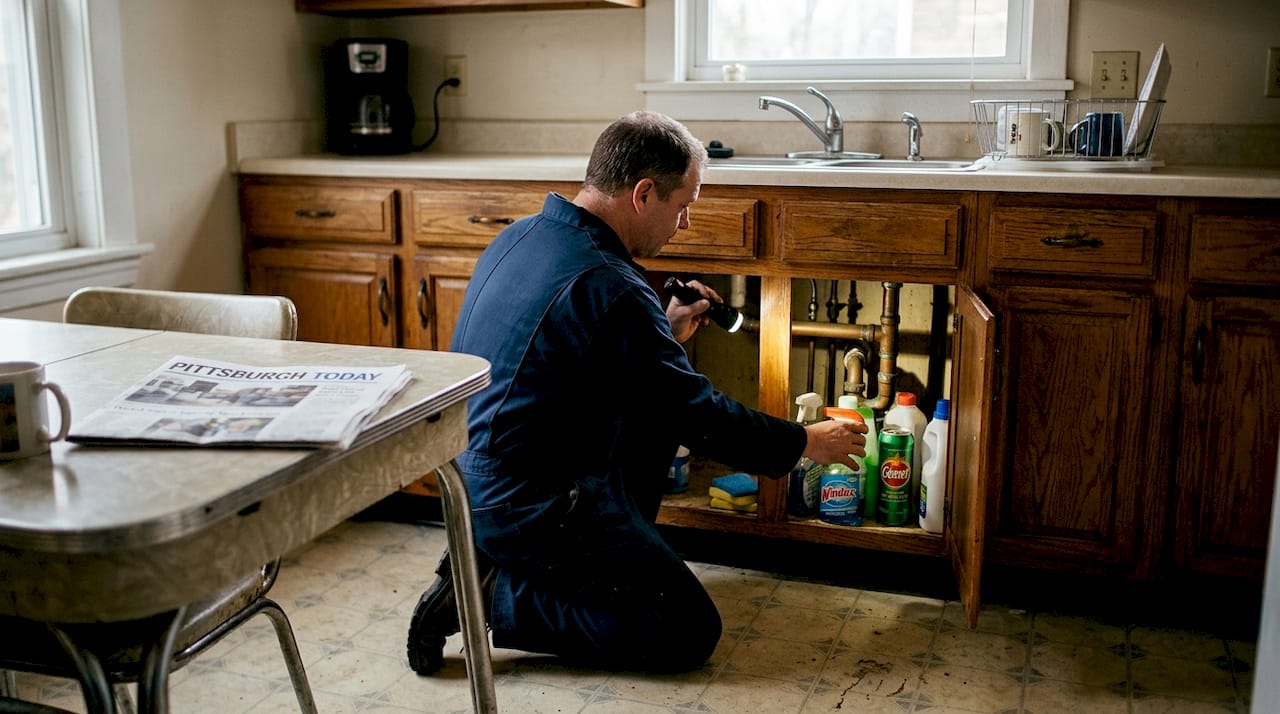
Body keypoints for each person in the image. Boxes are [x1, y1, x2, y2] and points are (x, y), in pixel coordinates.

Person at [406, 110, 867, 674]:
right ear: (644, 193)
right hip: (530, 503)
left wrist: (663, 332)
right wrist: (802, 443)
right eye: (683, 204)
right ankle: (493, 590)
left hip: (469, 482)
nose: (686, 222)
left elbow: (570, 367)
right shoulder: (611, 285)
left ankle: (505, 554)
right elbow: (697, 414)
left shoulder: (521, 235)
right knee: (686, 630)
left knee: (650, 410)